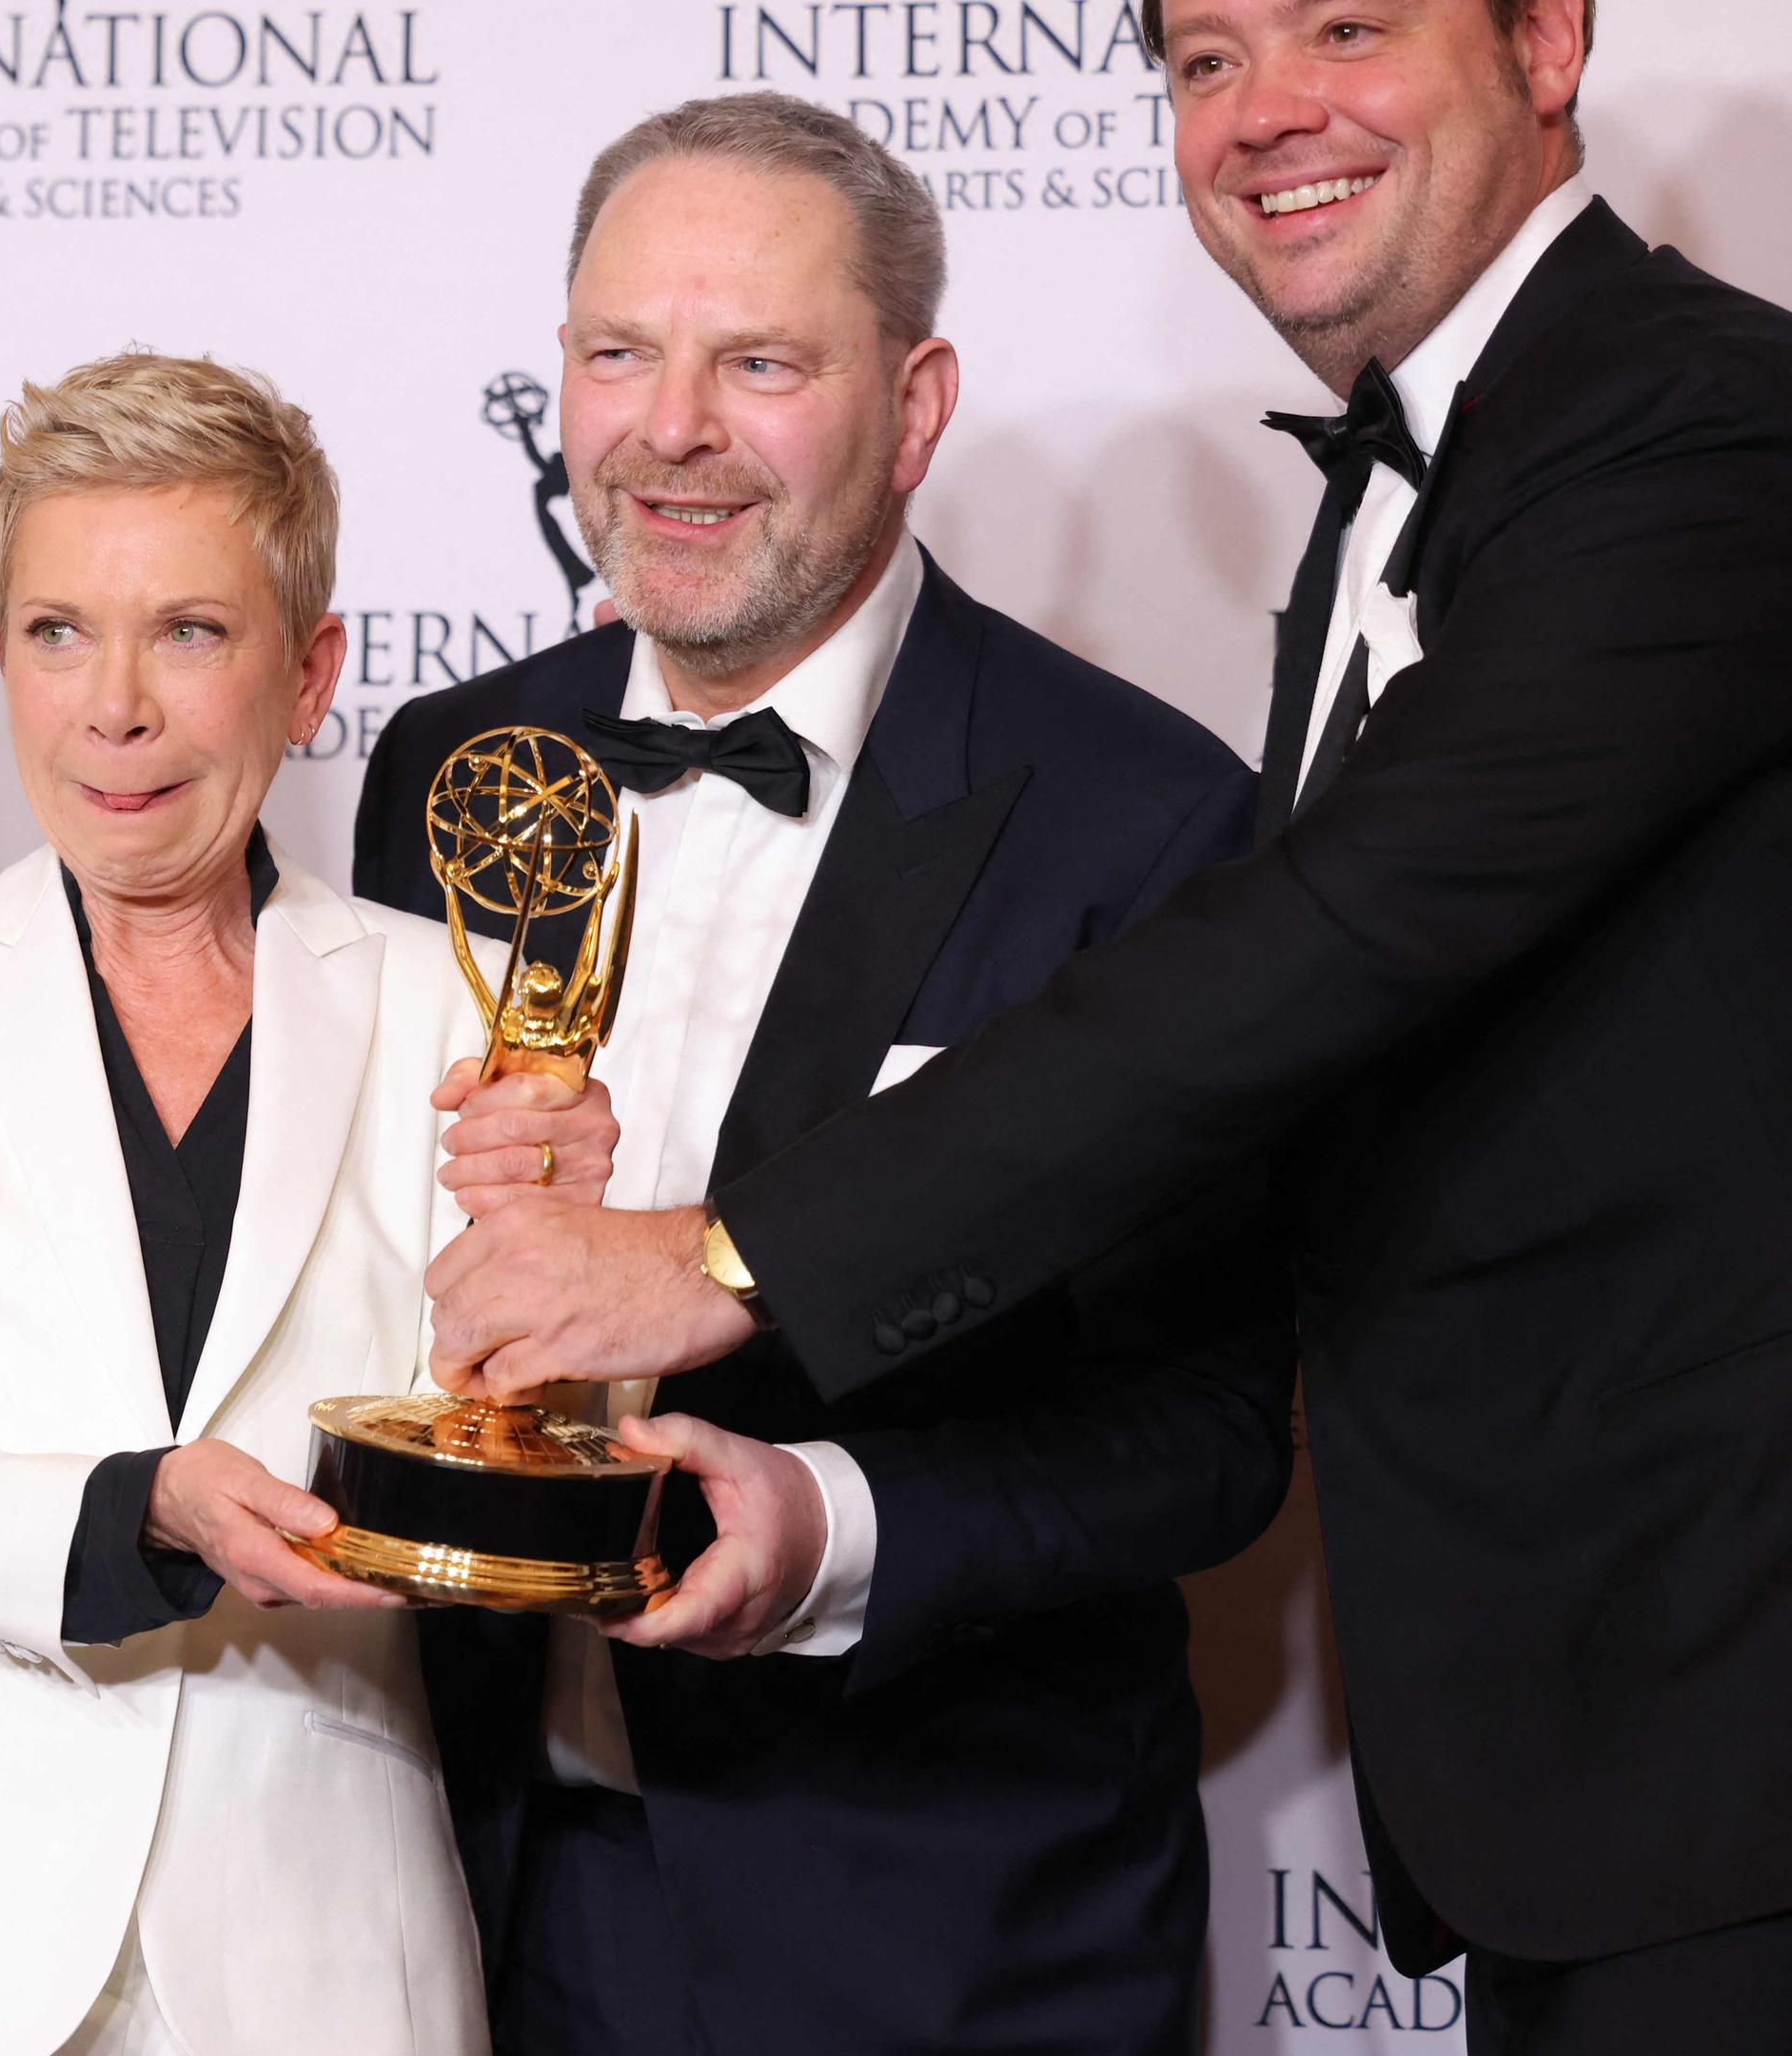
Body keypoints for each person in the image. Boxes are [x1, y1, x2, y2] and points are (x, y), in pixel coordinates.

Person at [424, 5, 1792, 2046]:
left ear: (1549, 41)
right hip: (1573, 1744)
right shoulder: (451, 774)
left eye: (1347, 26)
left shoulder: (1698, 425)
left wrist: (727, 1261)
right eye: (1206, 58)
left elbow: (1317, 952)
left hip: (1693, 1710)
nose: (1268, 112)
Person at [353, 94, 1295, 2056]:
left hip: (933, 1932)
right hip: (472, 1909)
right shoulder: (446, 771)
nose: (670, 428)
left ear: (915, 399)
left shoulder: (1142, 821)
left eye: (759, 362)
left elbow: (1208, 1430)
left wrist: (832, 1523)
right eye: (621, 353)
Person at [0, 354, 485, 2056]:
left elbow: (513, 1480)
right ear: (1, 660)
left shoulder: (464, 1006)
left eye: (191, 634)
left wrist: (555, 1292)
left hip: (323, 1955)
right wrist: (145, 1508)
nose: (113, 706)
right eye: (60, 632)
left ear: (311, 676)